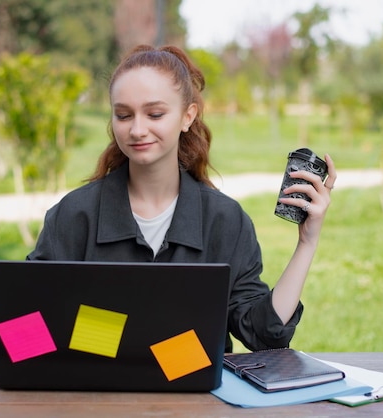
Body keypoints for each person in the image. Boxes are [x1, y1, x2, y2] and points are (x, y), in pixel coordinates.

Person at [27, 44, 337, 353]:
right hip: (94, 393)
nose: (137, 129)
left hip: (197, 397)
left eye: (155, 114)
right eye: (123, 115)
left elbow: (263, 336)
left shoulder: (225, 220)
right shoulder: (73, 215)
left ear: (187, 116)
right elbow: (22, 327)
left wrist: (307, 242)